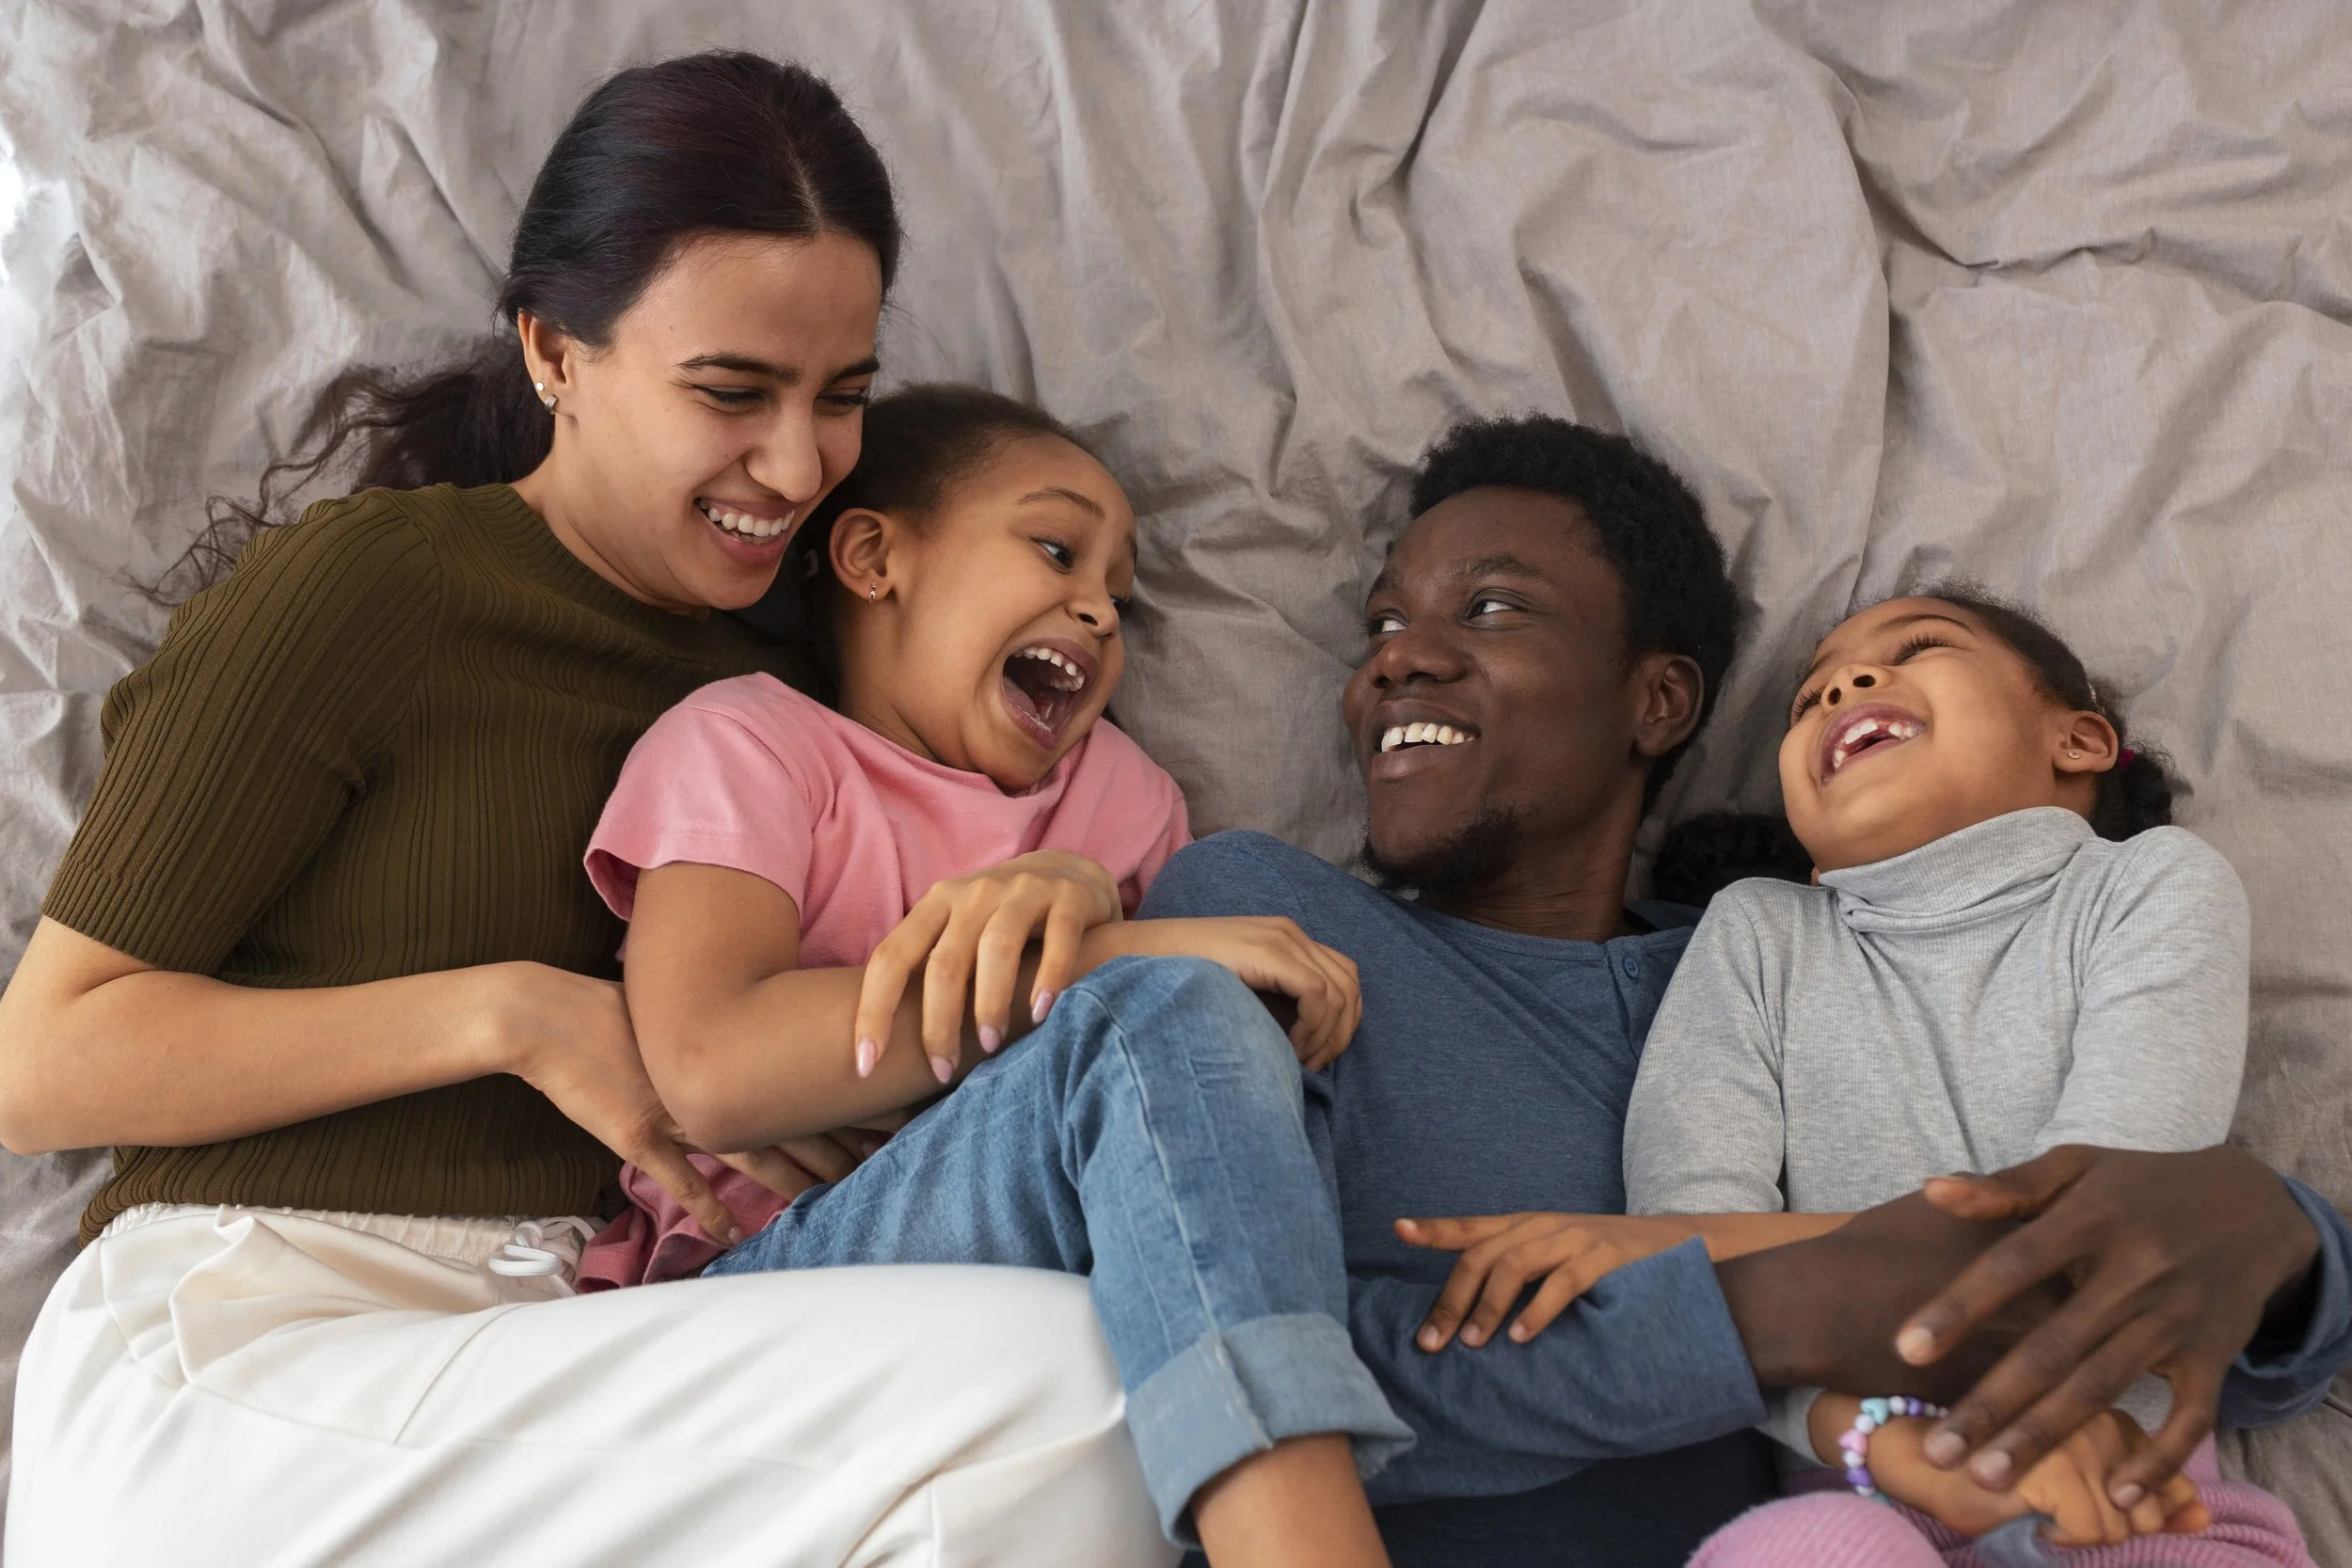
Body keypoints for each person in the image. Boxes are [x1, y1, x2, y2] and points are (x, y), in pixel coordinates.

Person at [0, 54, 1186, 1566]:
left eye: (843, 397)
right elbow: (43, 1061)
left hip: (586, 1358)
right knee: (1082, 1394)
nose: (797, 463)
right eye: (731, 391)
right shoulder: (375, 590)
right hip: (248, 1346)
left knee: (1117, 1397)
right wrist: (511, 1014)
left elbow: (979, 862)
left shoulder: (803, 674)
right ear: (556, 351)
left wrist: (1072, 888)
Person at [1136, 415, 2352, 1568]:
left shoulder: (1779, 959)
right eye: (1381, 623)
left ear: (1659, 701)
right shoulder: (1268, 925)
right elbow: (1207, 1346)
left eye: (1492, 606)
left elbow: (2181, 1340)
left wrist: (2283, 1239)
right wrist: (1774, 1310)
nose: (1397, 654)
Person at [572, 382, 1410, 1566]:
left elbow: (1200, 1129)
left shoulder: (1121, 800)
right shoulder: (754, 741)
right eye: (1055, 547)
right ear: (872, 555)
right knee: (1163, 1006)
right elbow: (712, 1064)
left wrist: (1107, 930)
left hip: (1047, 1248)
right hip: (758, 1273)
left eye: (1119, 594)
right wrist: (1111, 950)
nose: (1101, 611)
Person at [1413, 588, 2313, 1561]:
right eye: (1808, 697)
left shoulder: (2149, 885)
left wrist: (1681, 1240)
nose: (1842, 682)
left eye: (1921, 646)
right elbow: (1698, 1292)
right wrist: (1874, 1433)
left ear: (2080, 741)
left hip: (2136, 1487)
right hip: (1855, 1481)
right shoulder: (1758, 935)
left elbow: (2095, 1231)